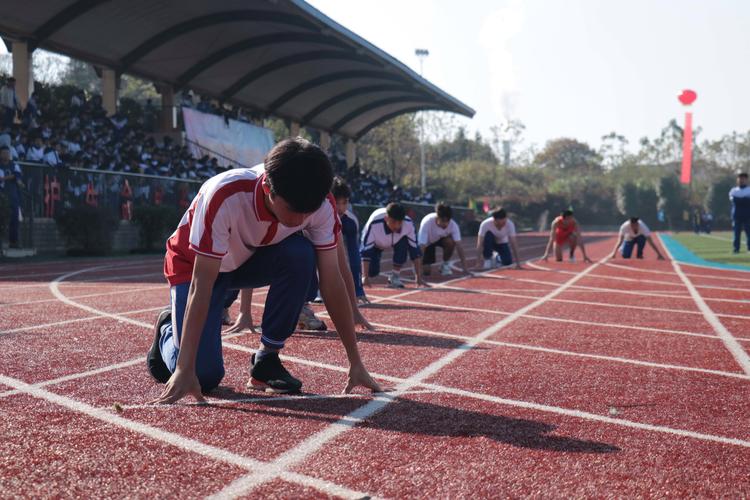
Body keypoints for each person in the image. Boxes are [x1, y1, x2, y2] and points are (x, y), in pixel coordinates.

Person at [148, 138, 381, 404]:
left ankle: (266, 360)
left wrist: (355, 361)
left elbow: (331, 280)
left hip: (246, 259)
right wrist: (183, 367)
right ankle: (168, 329)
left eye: (309, 211)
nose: (301, 219)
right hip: (194, 267)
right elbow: (201, 285)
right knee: (203, 376)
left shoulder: (320, 202)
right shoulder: (225, 195)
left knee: (301, 253)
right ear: (268, 187)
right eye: (293, 210)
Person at [360, 202, 427, 289]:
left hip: (396, 241)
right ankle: (361, 271)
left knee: (405, 242)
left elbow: (415, 250)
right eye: (393, 222)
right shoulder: (374, 223)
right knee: (372, 272)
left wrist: (418, 277)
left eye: (400, 222)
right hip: (375, 245)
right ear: (386, 218)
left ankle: (395, 276)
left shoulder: (408, 224)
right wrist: (365, 277)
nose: (397, 226)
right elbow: (366, 251)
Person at [418, 202, 472, 277]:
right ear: (437, 217)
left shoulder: (453, 225)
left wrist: (465, 268)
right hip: (428, 243)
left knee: (450, 242)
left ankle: (445, 264)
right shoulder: (427, 222)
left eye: (447, 221)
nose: (445, 224)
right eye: (443, 221)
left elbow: (459, 246)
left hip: (440, 239)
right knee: (426, 272)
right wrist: (418, 266)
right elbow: (422, 246)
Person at [0, 146, 23, 248]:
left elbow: (17, 175)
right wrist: (10, 177)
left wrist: (5, 178)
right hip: (2, 196)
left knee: (14, 220)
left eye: (8, 153)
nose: (6, 155)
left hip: (13, 197)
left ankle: (13, 242)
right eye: (4, 153)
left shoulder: (14, 165)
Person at [729, 172, 750, 254]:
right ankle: (736, 249)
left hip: (748, 215)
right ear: (737, 180)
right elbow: (734, 201)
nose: (742, 180)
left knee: (749, 233)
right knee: (736, 234)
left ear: (747, 180)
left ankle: (749, 248)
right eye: (740, 178)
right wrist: (744, 200)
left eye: (744, 179)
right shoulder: (733, 190)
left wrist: (740, 200)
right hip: (736, 215)